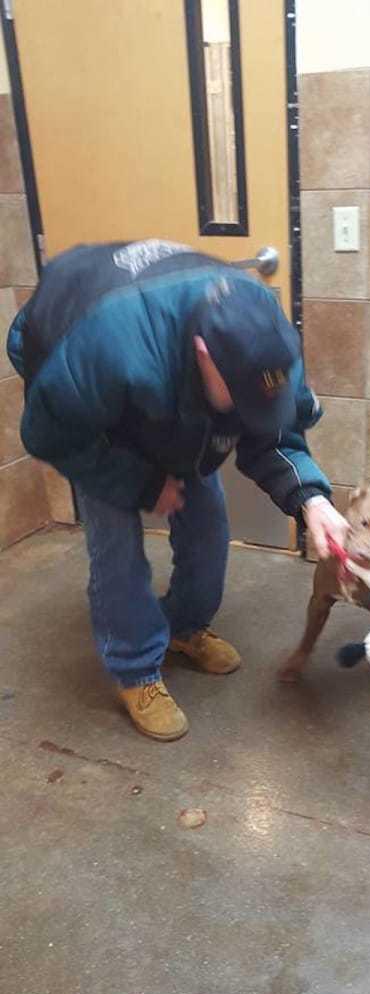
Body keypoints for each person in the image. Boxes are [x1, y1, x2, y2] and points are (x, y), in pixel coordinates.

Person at [7, 239, 348, 741]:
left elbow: (272, 432)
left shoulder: (268, 343)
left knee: (208, 522)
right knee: (116, 543)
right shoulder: (108, 348)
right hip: (77, 376)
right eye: (241, 399)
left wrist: (311, 500)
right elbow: (47, 435)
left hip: (164, 388)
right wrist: (143, 483)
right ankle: (134, 669)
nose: (249, 410)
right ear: (204, 353)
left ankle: (184, 627)